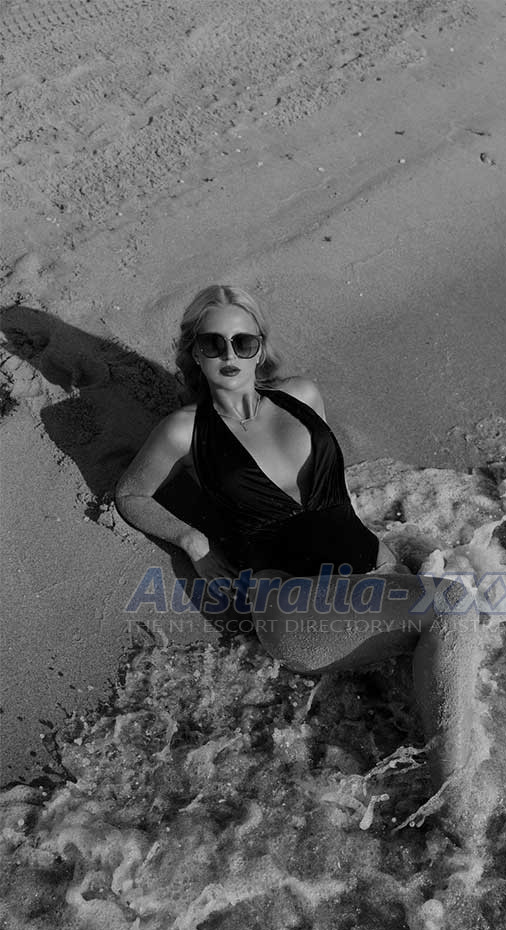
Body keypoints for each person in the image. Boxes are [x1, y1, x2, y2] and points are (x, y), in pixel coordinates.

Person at [115, 284, 477, 790]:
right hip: (295, 605)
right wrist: (191, 540)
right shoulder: (184, 430)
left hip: (372, 580)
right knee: (452, 605)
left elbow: (333, 498)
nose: (228, 355)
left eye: (242, 342)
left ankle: (441, 790)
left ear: (260, 347)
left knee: (436, 689)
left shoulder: (302, 395)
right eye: (212, 343)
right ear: (194, 351)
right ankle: (455, 800)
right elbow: (131, 494)